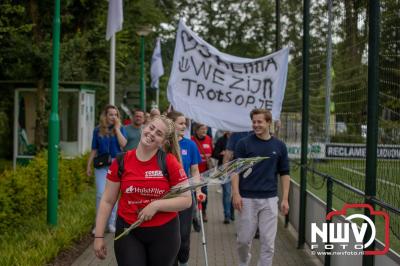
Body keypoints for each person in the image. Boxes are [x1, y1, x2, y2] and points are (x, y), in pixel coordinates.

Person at [94, 115, 192, 266]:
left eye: (159, 133)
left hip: (164, 233)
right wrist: (99, 237)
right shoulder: (121, 161)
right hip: (128, 231)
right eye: (151, 128)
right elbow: (107, 200)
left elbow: (186, 200)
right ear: (144, 128)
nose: (152, 134)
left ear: (164, 141)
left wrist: (156, 205)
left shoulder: (169, 162)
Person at [232, 108, 290, 266]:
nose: (256, 125)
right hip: (247, 199)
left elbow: (285, 173)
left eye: (260, 122)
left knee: (268, 244)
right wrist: (236, 194)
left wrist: (285, 199)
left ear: (268, 123)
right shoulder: (243, 143)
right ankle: (244, 262)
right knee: (243, 241)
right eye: (254, 122)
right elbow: (235, 171)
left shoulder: (279, 146)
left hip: (270, 200)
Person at [167, 111, 206, 266]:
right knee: (168, 237)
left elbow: (195, 170)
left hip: (185, 197)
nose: (184, 126)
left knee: (183, 236)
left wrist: (198, 191)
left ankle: (184, 261)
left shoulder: (190, 145)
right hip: (166, 197)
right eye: (181, 123)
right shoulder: (163, 144)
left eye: (185, 123)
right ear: (171, 124)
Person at [87, 105, 127, 233]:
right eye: (111, 114)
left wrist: (117, 129)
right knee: (100, 194)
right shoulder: (97, 130)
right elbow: (94, 149)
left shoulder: (120, 128)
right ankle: (99, 225)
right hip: (101, 165)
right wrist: (88, 165)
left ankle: (111, 223)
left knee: (113, 195)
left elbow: (123, 144)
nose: (113, 117)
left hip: (115, 164)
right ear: (105, 116)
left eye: (115, 115)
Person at [191, 123, 213, 222]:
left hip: (205, 172)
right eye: (202, 129)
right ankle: (194, 214)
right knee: (193, 194)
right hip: (193, 173)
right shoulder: (191, 140)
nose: (204, 131)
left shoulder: (209, 139)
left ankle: (203, 212)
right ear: (196, 130)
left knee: (204, 192)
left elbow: (212, 152)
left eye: (206, 129)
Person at [212, 131, 233, 224]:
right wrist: (222, 154)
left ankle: (232, 212)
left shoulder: (238, 139)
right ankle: (227, 215)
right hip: (223, 170)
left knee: (236, 192)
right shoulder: (221, 140)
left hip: (236, 170)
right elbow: (214, 154)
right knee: (227, 192)